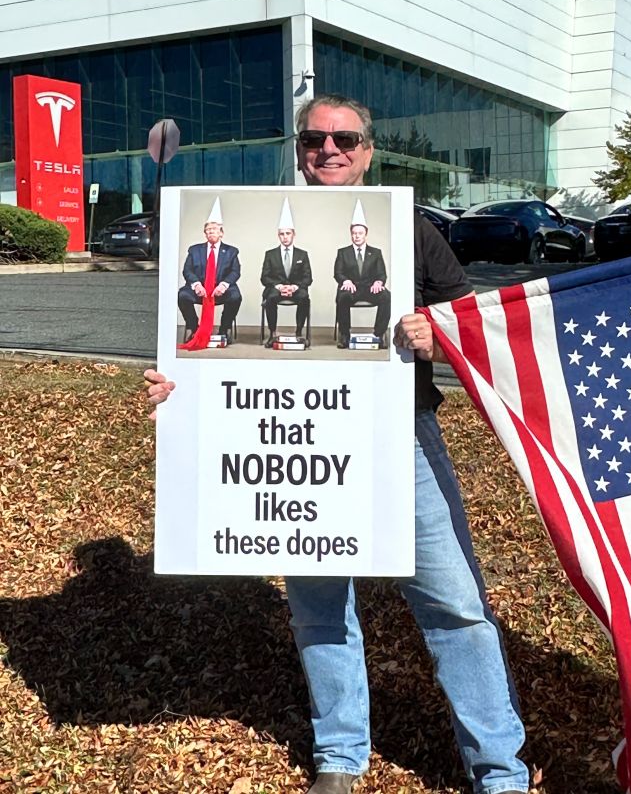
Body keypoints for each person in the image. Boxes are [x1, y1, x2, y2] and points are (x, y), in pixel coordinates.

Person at [147, 94, 529, 794]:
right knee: (319, 602)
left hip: (397, 437)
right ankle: (340, 755)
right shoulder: (257, 228)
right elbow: (208, 338)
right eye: (314, 138)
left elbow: (468, 320)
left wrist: (434, 333)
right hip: (290, 441)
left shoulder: (409, 228)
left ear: (367, 149)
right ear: (299, 148)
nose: (329, 149)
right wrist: (175, 387)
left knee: (454, 602)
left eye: (344, 138)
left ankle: (499, 769)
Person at [177, 198, 242, 346]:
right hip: (201, 289)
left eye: (214, 230)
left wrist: (224, 285)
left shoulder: (231, 251)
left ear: (221, 233)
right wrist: (196, 285)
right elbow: (187, 270)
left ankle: (224, 329)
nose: (211, 232)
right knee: (183, 295)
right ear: (205, 234)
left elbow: (235, 271)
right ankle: (193, 328)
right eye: (208, 230)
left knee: (235, 297)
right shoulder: (194, 250)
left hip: (221, 289)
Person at [333, 200, 390, 349]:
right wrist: (345, 281)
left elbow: (381, 273)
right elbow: (338, 272)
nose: (357, 236)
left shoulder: (376, 252)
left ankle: (379, 334)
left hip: (369, 289)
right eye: (354, 233)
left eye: (360, 233)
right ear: (351, 235)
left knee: (386, 296)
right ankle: (345, 335)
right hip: (351, 289)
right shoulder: (343, 252)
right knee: (342, 296)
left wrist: (379, 282)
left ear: (366, 234)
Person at [260, 197, 312, 347]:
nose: (285, 237)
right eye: (282, 234)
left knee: (304, 298)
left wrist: (295, 287)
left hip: (296, 289)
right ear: (278, 235)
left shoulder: (302, 254)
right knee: (270, 299)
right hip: (276, 289)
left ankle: (299, 333)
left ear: (293, 234)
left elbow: (308, 278)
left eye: (288, 233)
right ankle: (272, 333)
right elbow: (264, 277)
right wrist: (279, 287)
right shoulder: (270, 254)